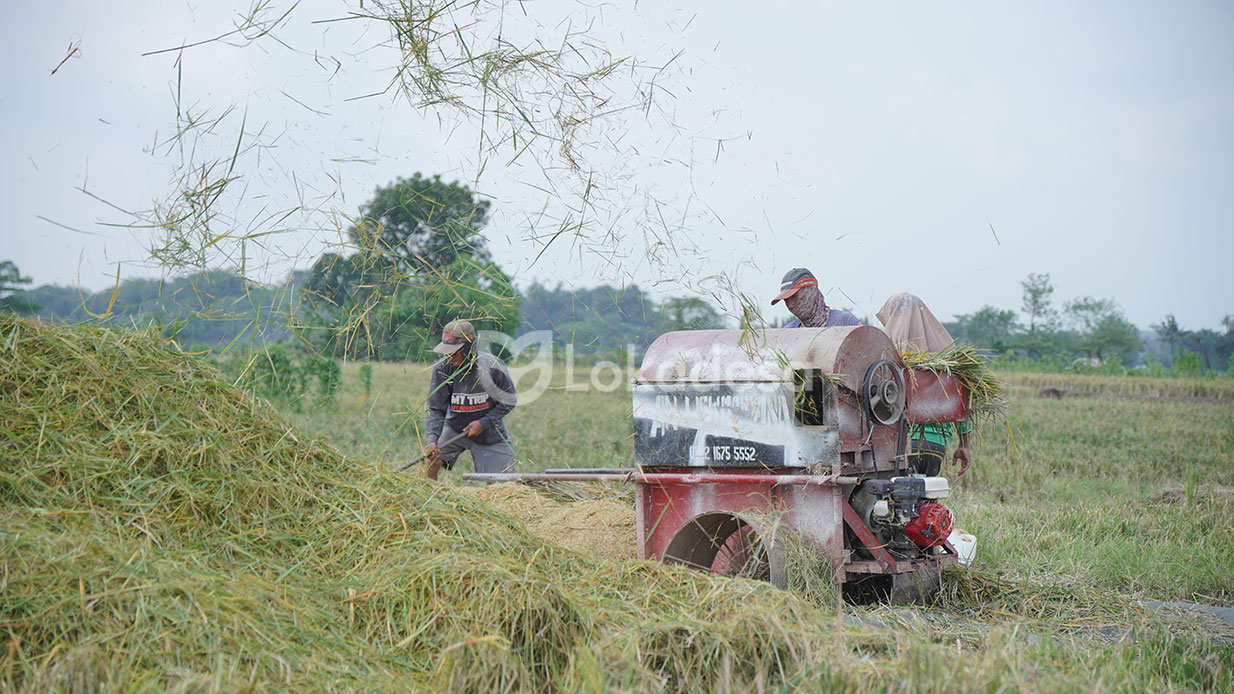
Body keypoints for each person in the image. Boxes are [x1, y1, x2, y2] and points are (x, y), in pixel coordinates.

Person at [875, 292, 973, 477]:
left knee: (897, 501)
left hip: (896, 446)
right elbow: (963, 404)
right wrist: (964, 444)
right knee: (925, 498)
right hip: (934, 444)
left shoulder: (885, 355)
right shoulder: (948, 355)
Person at [420, 319, 518, 480]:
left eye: (455, 351)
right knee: (432, 459)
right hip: (455, 429)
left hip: (490, 432)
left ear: (469, 347)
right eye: (447, 352)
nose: (450, 356)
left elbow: (509, 401)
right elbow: (435, 408)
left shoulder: (492, 366)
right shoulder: (442, 369)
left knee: (501, 483)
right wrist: (432, 440)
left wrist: (484, 422)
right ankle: (427, 497)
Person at [770, 268, 862, 328]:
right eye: (786, 300)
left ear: (810, 293)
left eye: (794, 296)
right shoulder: (789, 333)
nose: (790, 305)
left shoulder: (844, 321)